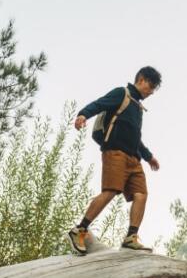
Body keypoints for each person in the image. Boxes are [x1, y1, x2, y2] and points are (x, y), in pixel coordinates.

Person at [67, 66, 162, 254]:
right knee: (111, 191)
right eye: (150, 86)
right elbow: (99, 104)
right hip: (115, 153)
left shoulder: (137, 107)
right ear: (141, 79)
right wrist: (83, 114)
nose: (151, 92)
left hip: (134, 159)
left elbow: (135, 138)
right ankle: (80, 230)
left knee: (141, 195)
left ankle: (131, 238)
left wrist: (148, 156)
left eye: (153, 89)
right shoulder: (122, 93)